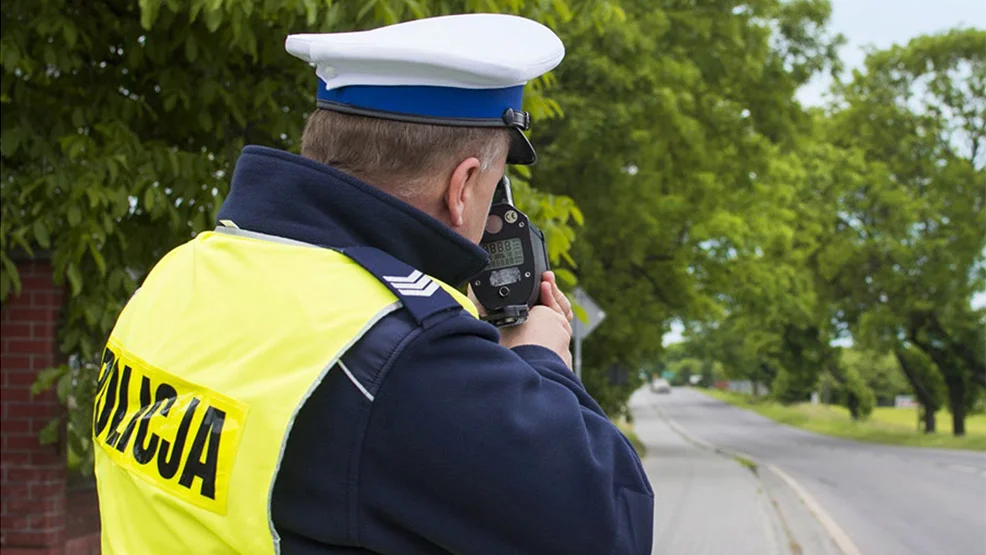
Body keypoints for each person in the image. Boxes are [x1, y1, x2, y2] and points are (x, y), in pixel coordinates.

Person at [92, 13, 653, 555]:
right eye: (495, 188)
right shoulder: (404, 352)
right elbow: (611, 526)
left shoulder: (183, 271)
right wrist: (541, 363)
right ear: (463, 187)